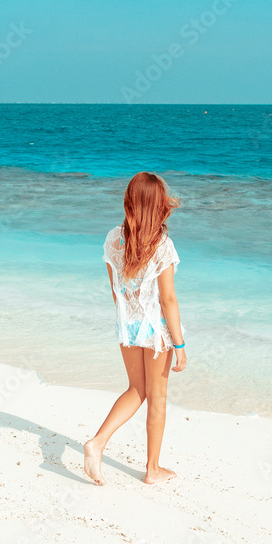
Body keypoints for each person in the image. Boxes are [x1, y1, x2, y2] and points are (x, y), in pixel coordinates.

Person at [84, 172, 187, 485]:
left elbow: (116, 289)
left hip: (126, 327)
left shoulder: (114, 238)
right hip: (155, 331)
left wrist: (127, 317)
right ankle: (152, 470)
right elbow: (168, 299)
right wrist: (179, 345)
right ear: (157, 206)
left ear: (129, 202)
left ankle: (97, 442)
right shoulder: (161, 244)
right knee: (157, 398)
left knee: (136, 389)